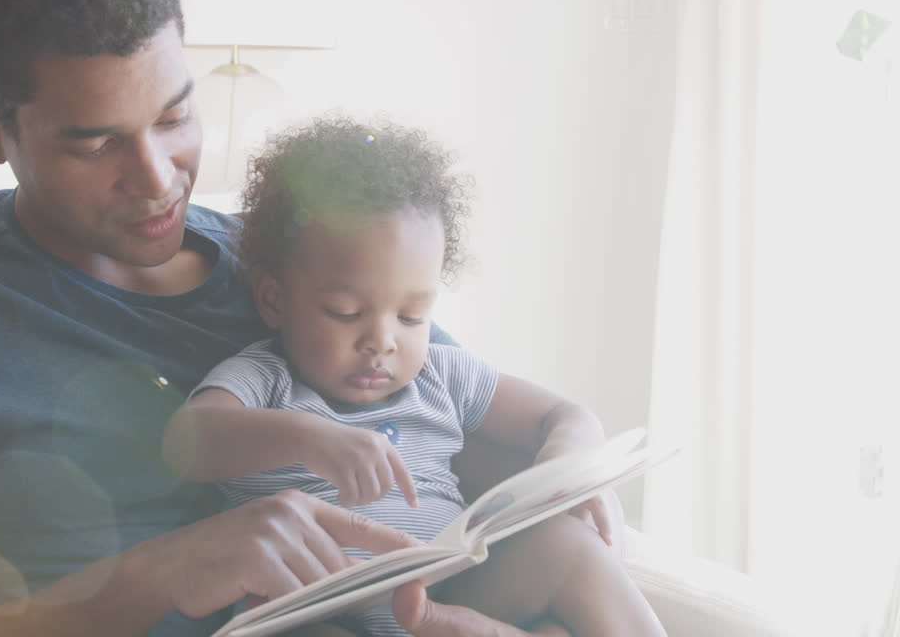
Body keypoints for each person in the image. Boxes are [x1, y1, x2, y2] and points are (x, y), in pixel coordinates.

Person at [0, 0, 619, 635]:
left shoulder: (294, 267)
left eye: (174, 118)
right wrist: (154, 575)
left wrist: (561, 488)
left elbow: (459, 438)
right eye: (96, 142)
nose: (157, 178)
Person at [162, 118, 667, 637]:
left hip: (451, 598)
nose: (382, 341)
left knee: (567, 546)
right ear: (274, 300)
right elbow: (186, 440)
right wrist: (306, 438)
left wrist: (565, 466)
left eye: (411, 317)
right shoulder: (266, 378)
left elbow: (564, 415)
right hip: (316, 609)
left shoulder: (440, 375)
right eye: (344, 312)